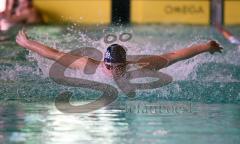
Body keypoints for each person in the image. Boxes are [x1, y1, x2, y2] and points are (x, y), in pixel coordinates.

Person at [16, 29, 223, 78]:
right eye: (110, 66)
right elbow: (54, 54)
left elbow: (174, 55)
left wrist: (206, 47)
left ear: (126, 63)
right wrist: (27, 43)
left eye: (119, 66)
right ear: (103, 63)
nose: (114, 71)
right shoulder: (88, 65)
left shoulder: (140, 66)